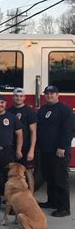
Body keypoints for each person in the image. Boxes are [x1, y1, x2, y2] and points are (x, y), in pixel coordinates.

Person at [37, 85, 73, 218]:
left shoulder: (65, 109)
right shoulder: (43, 109)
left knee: (60, 179)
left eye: (52, 93)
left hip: (59, 151)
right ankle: (52, 201)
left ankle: (64, 207)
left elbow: (67, 130)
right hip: (45, 151)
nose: (49, 95)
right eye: (47, 93)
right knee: (49, 178)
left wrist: (62, 147)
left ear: (58, 95)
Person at [7, 87, 37, 193]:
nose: (18, 98)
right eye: (16, 96)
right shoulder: (9, 111)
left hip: (26, 147)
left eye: (21, 96)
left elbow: (33, 131)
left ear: (24, 97)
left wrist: (31, 150)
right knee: (12, 172)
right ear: (12, 97)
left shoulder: (30, 111)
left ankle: (31, 196)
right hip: (11, 146)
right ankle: (11, 195)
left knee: (28, 172)